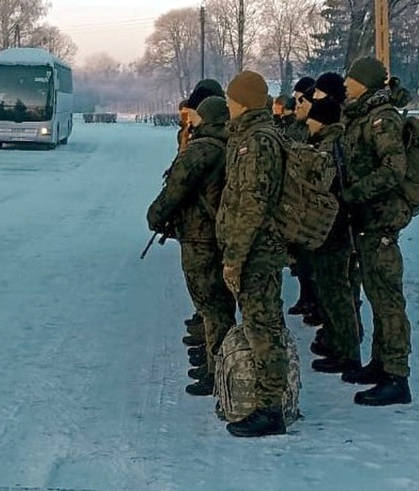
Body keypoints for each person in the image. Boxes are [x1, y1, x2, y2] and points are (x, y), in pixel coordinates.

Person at [216, 71, 289, 437]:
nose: (227, 104)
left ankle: (270, 409)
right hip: (255, 252)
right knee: (261, 327)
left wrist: (235, 258)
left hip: (257, 254)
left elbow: (252, 206)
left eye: (231, 98)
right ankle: (269, 402)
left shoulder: (257, 143)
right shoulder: (249, 137)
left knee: (263, 331)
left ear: (242, 101)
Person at [148, 96, 237, 396]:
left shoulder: (202, 149)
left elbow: (176, 187)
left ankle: (217, 372)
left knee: (211, 306)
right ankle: (217, 365)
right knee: (219, 304)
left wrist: (156, 215)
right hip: (218, 233)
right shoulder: (227, 145)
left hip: (200, 235)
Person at [340, 57, 413, 406]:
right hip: (367, 221)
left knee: (388, 300)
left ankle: (397, 376)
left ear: (365, 83)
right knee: (376, 295)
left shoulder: (382, 119)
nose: (346, 83)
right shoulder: (363, 116)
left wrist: (356, 193)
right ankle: (381, 364)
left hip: (380, 219)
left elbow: (393, 168)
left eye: (351, 78)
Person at [304, 97, 362, 374]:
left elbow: (322, 188)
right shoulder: (337, 142)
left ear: (322, 121)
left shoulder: (330, 147)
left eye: (312, 118)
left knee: (336, 292)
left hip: (334, 230)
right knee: (332, 290)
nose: (307, 122)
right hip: (335, 228)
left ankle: (347, 354)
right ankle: (340, 347)